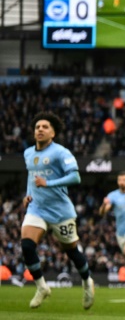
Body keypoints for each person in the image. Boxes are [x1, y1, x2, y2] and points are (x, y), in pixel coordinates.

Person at [20, 111, 94, 309]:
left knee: (71, 252)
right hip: (37, 208)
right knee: (27, 246)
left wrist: (49, 183)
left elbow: (75, 177)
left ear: (53, 133)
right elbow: (32, 176)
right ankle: (42, 287)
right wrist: (28, 193)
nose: (40, 130)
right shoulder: (28, 153)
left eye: (45, 127)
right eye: (37, 127)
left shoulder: (61, 152)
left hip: (60, 210)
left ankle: (87, 281)